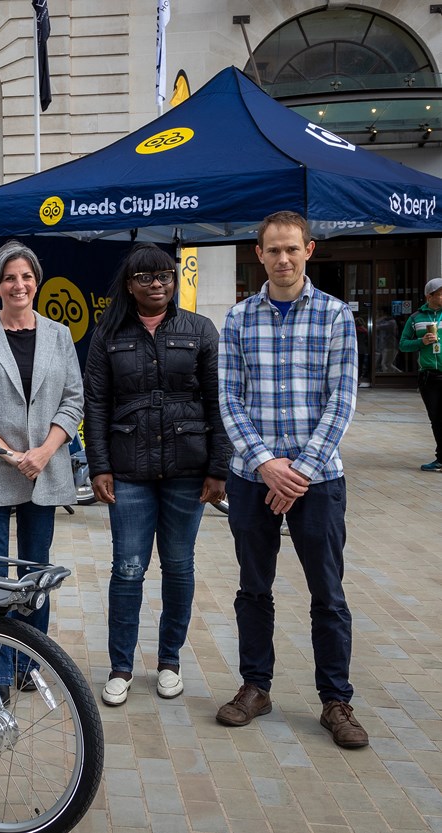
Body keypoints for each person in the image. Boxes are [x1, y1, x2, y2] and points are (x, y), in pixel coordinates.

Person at [216, 210, 367, 749]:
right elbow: (229, 399)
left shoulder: (334, 317)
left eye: (291, 250)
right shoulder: (237, 319)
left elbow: (342, 399)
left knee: (327, 592)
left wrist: (298, 471)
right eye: (272, 250)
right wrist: (264, 464)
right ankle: (255, 686)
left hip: (318, 480)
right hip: (252, 479)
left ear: (309, 250)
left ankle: (336, 699)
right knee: (253, 589)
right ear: (258, 254)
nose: (282, 259)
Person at [83, 242, 230, 706]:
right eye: (146, 278)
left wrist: (219, 467)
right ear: (130, 285)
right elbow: (96, 404)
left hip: (188, 468)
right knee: (127, 569)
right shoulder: (109, 333)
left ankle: (170, 662)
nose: (157, 285)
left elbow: (219, 400)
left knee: (179, 565)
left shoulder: (200, 329)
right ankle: (121, 667)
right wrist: (99, 465)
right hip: (128, 470)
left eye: (165, 276)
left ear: (174, 280)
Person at [0, 239, 82, 694]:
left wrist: (43, 452)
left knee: (35, 570)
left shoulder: (59, 336)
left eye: (26, 276)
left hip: (43, 469)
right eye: (10, 277)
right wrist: (10, 453)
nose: (19, 284)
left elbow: (73, 401)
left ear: (36, 282)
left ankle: (29, 663)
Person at [399, 278, 442, 471]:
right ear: (430, 296)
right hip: (428, 376)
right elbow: (403, 344)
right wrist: (421, 342)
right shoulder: (415, 318)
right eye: (441, 293)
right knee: (436, 418)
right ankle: (440, 458)